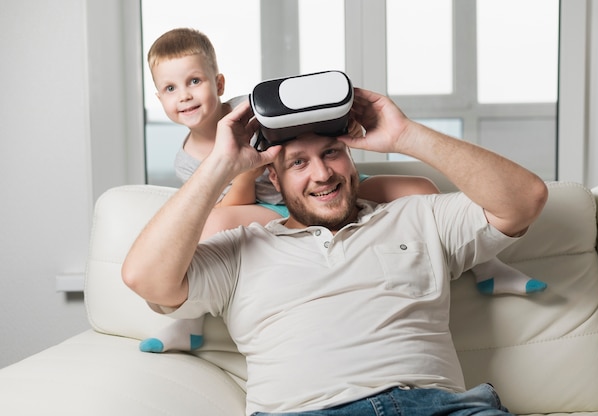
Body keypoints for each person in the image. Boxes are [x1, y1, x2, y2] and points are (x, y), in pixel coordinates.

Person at [122, 87, 548, 415]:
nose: (322, 174)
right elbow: (146, 278)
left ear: (352, 157)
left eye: (331, 154)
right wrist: (220, 166)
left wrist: (406, 135)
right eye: (298, 163)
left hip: (437, 406)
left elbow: (524, 200)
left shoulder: (415, 216)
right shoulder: (242, 247)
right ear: (272, 175)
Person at [142, 28, 546, 354]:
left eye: (194, 81)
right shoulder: (189, 162)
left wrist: (366, 132)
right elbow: (227, 211)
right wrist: (233, 166)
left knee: (419, 187)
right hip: (272, 205)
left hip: (343, 191)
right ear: (158, 97)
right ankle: (188, 321)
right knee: (212, 225)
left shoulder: (248, 111)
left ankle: (486, 263)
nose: (186, 95)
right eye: (172, 89)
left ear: (218, 82)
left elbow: (317, 129)